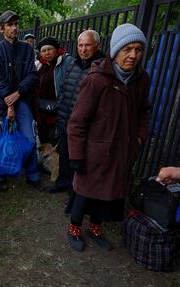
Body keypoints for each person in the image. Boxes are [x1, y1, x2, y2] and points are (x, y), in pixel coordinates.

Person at [66, 23, 151, 252]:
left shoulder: (142, 79)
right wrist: (76, 156)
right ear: (115, 51)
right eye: (127, 49)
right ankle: (74, 229)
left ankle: (95, 229)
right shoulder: (97, 79)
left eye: (138, 49)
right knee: (84, 193)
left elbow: (144, 112)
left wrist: (139, 139)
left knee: (107, 196)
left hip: (122, 150)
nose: (133, 55)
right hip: (95, 150)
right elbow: (77, 121)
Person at [0, 10, 40, 191]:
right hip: (2, 103)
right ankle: (1, 174)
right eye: (10, 25)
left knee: (30, 138)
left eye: (16, 24)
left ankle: (32, 174)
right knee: (1, 137)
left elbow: (32, 75)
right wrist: (10, 103)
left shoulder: (26, 49)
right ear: (2, 29)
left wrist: (17, 94)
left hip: (22, 99)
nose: (14, 28)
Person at [48, 30, 105, 193]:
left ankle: (76, 191)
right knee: (65, 155)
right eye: (80, 45)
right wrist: (60, 108)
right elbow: (65, 89)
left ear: (97, 46)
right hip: (66, 119)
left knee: (79, 159)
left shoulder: (101, 67)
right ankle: (62, 183)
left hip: (84, 125)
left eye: (88, 45)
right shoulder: (73, 64)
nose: (83, 49)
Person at [34, 36, 73, 147]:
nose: (47, 53)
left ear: (56, 49)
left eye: (49, 49)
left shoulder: (65, 62)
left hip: (57, 112)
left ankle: (53, 164)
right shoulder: (38, 65)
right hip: (41, 112)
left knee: (54, 143)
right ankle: (45, 163)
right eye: (43, 51)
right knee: (43, 142)